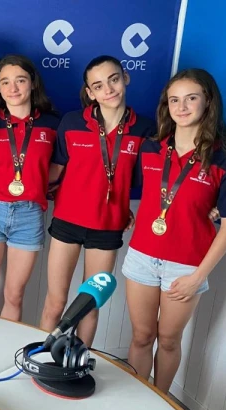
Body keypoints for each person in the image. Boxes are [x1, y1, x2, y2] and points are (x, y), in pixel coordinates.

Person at [123, 69, 226, 393]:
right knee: (141, 336)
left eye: (191, 98)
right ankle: (135, 402)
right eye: (174, 100)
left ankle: (161, 402)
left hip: (186, 266)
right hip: (141, 257)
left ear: (207, 102)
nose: (181, 107)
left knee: (168, 340)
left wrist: (197, 278)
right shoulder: (151, 148)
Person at [41, 55, 156, 347]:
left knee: (89, 305)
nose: (108, 89)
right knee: (56, 302)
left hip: (107, 227)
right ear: (90, 93)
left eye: (114, 79)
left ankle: (77, 362)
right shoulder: (72, 122)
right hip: (67, 221)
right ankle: (40, 359)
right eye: (99, 85)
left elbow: (155, 179)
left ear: (125, 78)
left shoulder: (145, 130)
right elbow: (54, 170)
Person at [0, 55, 59, 321]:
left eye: (20, 80)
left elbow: (59, 169)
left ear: (32, 83)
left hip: (29, 214)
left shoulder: (52, 124)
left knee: (14, 295)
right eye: (5, 82)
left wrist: (34, 181)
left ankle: (7, 347)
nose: (13, 88)